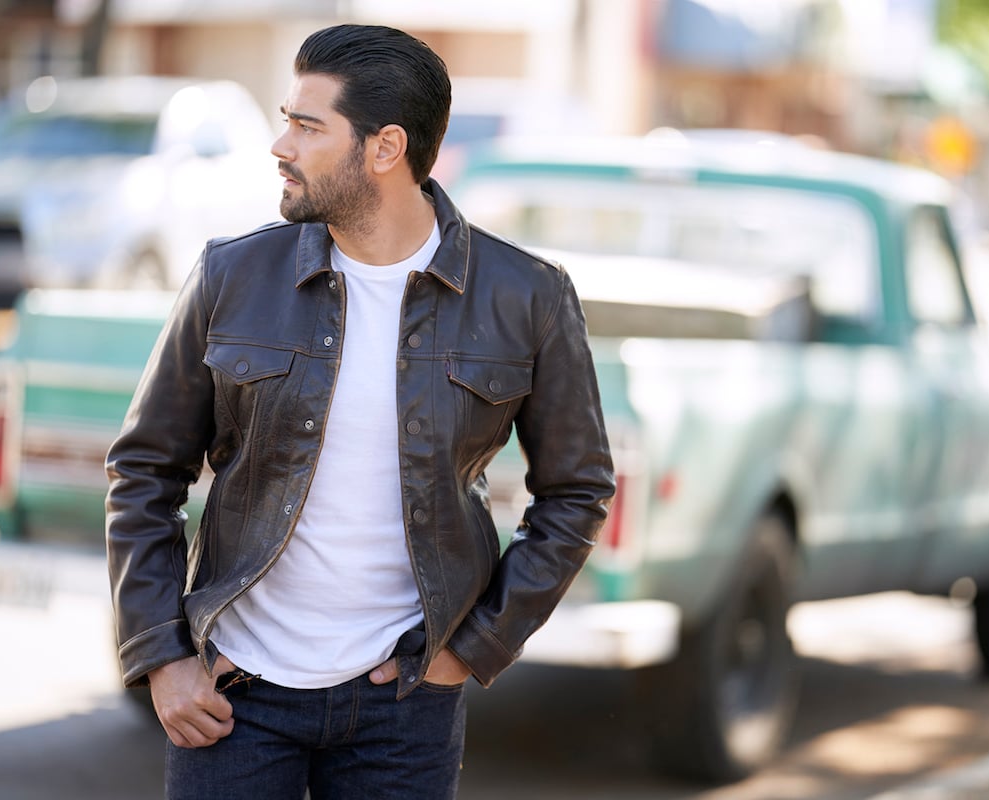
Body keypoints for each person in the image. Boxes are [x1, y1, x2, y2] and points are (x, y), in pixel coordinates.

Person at [104, 22, 615, 800]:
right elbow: (143, 471)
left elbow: (576, 491)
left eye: (308, 127)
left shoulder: (527, 297)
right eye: (287, 119)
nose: (281, 144)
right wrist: (161, 656)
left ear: (384, 149)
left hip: (405, 705)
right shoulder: (232, 275)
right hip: (235, 696)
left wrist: (473, 647)